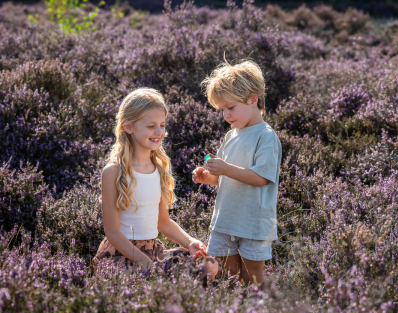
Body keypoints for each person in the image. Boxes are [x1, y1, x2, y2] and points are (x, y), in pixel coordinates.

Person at [94, 87, 218, 281]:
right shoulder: (113, 172)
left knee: (209, 264)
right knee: (143, 280)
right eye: (151, 126)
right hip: (121, 255)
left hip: (154, 252)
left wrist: (190, 241)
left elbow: (163, 222)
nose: (159, 132)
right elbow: (112, 232)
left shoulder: (159, 168)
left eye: (162, 125)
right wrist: (145, 263)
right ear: (128, 127)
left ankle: (186, 307)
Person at [193, 60, 282, 285]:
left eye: (230, 107)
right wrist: (208, 177)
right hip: (225, 221)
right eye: (222, 109)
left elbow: (261, 178)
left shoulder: (266, 136)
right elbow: (223, 177)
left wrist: (225, 168)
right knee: (224, 282)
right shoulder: (230, 136)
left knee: (253, 283)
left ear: (253, 99)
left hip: (253, 225)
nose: (225, 115)